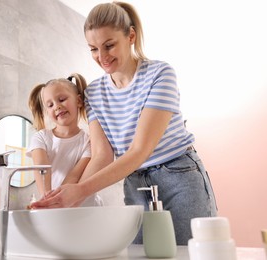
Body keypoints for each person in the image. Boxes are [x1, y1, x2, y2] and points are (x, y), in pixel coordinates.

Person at [31, 2, 217, 245]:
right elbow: (101, 155)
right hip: (135, 181)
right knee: (139, 253)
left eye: (109, 45)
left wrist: (81, 190)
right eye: (93, 49)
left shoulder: (160, 74)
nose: (102, 57)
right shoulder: (94, 92)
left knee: (188, 251)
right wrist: (69, 195)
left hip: (178, 175)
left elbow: (140, 150)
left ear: (130, 36)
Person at [26, 73, 103, 207]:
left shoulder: (88, 141)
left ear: (78, 101)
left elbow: (74, 176)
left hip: (85, 208)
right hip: (55, 205)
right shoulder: (41, 138)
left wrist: (55, 203)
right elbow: (42, 169)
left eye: (61, 99)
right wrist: (47, 198)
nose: (56, 106)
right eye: (50, 105)